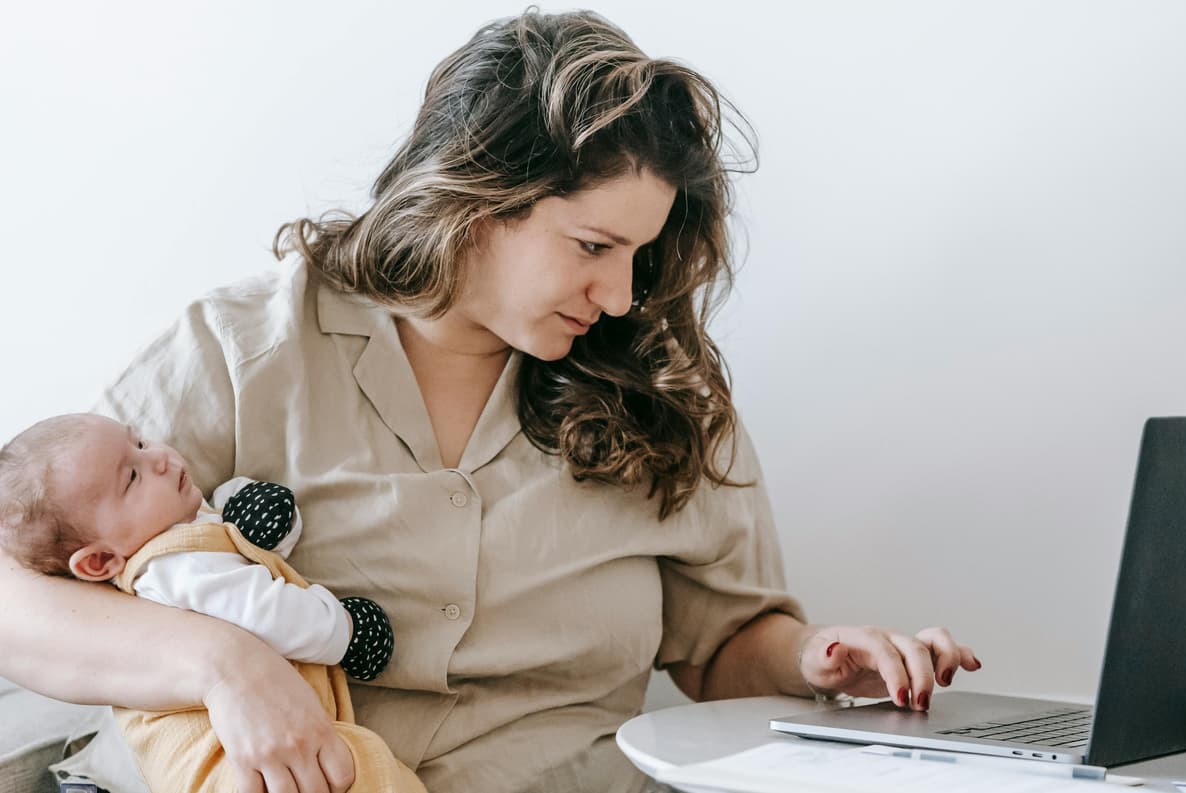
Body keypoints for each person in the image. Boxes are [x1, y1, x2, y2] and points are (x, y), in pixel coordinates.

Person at [0, 9, 981, 793]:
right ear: (475, 200)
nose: (622, 295)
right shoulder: (243, 347)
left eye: (639, 255)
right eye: (593, 246)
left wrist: (818, 659)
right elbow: (19, 588)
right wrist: (222, 662)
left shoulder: (665, 388)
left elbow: (722, 642)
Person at [0, 413, 425, 793]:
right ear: (99, 561)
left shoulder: (175, 532)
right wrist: (342, 629)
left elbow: (243, 552)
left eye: (140, 442)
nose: (158, 459)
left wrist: (249, 514)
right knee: (367, 774)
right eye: (131, 477)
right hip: (225, 761)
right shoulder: (176, 568)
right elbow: (270, 613)